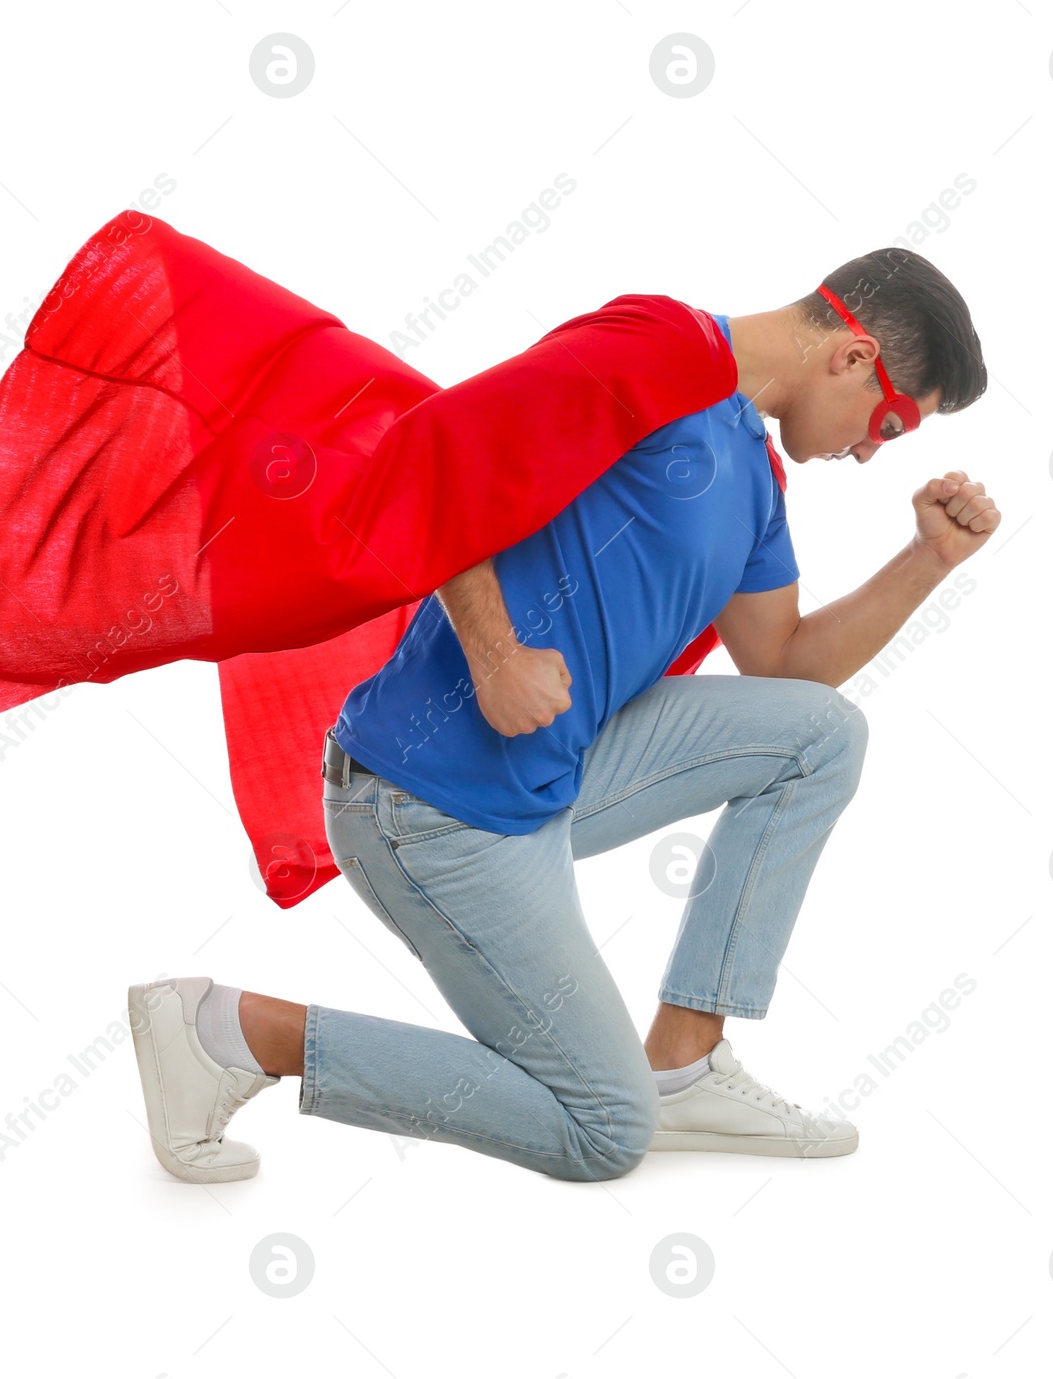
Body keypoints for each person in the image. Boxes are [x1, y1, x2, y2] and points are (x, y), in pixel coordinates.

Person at [128, 248, 997, 1184]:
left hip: (545, 778)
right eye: (891, 423)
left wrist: (928, 561)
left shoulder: (755, 475)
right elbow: (442, 446)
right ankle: (227, 1033)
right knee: (601, 1133)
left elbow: (786, 667)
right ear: (854, 358)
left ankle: (686, 1061)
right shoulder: (664, 347)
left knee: (819, 737)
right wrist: (495, 655)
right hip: (430, 808)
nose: (872, 450)